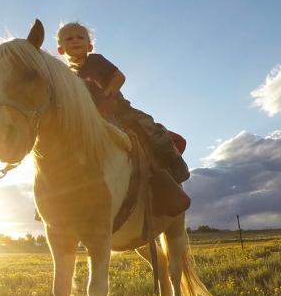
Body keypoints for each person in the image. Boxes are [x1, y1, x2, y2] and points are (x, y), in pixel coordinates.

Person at [55, 22, 190, 183]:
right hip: (93, 117)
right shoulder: (68, 76)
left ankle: (174, 163)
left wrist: (107, 95)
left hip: (120, 110)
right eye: (69, 39)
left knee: (150, 128)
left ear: (89, 46)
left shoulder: (96, 61)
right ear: (61, 50)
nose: (75, 41)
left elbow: (119, 77)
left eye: (80, 37)